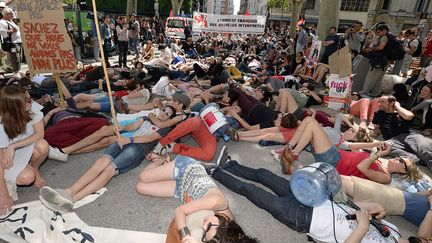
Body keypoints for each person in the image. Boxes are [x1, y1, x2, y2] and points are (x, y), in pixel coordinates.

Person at [211, 160, 420, 242]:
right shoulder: (394, 231)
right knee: (265, 174)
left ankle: (216, 172)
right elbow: (353, 210)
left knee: (251, 191)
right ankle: (232, 165)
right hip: (317, 199)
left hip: (304, 218)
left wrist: (363, 227)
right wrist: (372, 209)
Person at [39, 106, 177, 213]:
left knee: (108, 170)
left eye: (168, 114)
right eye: (164, 110)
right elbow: (133, 126)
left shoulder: (166, 128)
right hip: (125, 140)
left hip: (137, 148)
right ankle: (69, 191)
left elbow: (151, 138)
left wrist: (130, 139)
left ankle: (72, 200)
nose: (164, 113)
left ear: (170, 118)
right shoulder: (147, 118)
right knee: (101, 161)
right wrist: (122, 128)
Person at [135, 155, 257, 243]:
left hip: (182, 191)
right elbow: (179, 211)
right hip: (186, 169)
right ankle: (160, 160)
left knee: (140, 187)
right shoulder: (217, 201)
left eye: (205, 235)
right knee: (143, 177)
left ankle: (165, 170)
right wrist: (185, 236)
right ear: (224, 224)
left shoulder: (224, 229)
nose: (204, 227)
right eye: (208, 227)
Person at [280, 116, 421, 184]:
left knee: (312, 124)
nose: (397, 158)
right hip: (334, 154)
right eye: (399, 157)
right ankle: (289, 150)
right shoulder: (382, 161)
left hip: (334, 163)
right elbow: (355, 149)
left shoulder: (386, 177)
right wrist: (375, 145)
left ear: (403, 171)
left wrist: (378, 154)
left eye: (401, 161)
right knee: (309, 120)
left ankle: (292, 155)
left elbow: (362, 167)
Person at [0, 86, 49, 215]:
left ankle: (36, 169)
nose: (31, 101)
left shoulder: (32, 108)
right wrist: (3, 194)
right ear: (15, 107)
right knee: (27, 178)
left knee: (43, 146)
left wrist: (13, 146)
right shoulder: (1, 124)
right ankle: (12, 177)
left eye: (29, 97)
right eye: (27, 100)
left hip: (21, 147)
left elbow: (39, 134)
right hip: (5, 156)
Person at [372, 95, 432, 170]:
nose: (379, 104)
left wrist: (397, 106)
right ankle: (418, 160)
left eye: (383, 102)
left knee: (425, 150)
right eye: (379, 101)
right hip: (393, 141)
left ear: (391, 103)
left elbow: (409, 116)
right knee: (382, 147)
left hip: (409, 136)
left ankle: (424, 157)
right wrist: (375, 132)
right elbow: (377, 127)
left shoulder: (401, 113)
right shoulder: (378, 114)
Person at [360, 24, 389, 97]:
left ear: (384, 30)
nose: (378, 32)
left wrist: (371, 49)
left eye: (379, 30)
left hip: (380, 61)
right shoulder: (383, 37)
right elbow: (372, 43)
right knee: (378, 78)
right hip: (383, 61)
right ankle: (375, 93)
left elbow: (380, 47)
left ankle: (364, 92)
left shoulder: (384, 37)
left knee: (371, 76)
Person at [0, 7, 22, 78]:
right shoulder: (2, 22)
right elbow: (1, 31)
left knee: (19, 57)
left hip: (18, 42)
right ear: (5, 14)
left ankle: (17, 71)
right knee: (15, 57)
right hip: (12, 43)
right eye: (10, 13)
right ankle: (16, 72)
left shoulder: (11, 21)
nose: (12, 14)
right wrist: (12, 31)